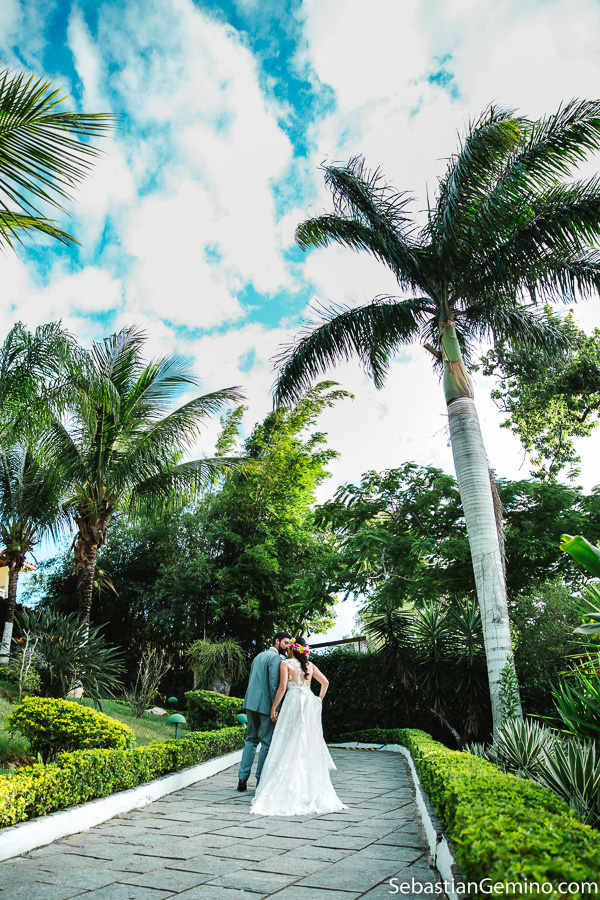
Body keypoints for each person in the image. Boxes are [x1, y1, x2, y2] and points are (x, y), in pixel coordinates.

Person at [249, 635, 347, 816]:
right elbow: (325, 682)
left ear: (293, 649)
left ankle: (285, 785)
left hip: (293, 702)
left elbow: (282, 688)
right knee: (306, 740)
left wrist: (274, 708)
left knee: (287, 740)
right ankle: (309, 788)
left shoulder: (286, 664)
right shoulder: (310, 666)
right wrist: (319, 700)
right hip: (308, 701)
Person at [237, 631, 291, 791]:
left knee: (251, 740)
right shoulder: (275, 658)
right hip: (265, 705)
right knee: (267, 742)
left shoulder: (258, 656)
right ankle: (260, 780)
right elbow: (274, 685)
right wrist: (276, 708)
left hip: (250, 703)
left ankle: (242, 778)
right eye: (286, 643)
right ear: (277, 641)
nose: (287, 647)